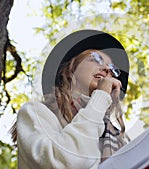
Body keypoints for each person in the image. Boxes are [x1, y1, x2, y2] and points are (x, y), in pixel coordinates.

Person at [11, 29, 130, 169]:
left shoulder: (119, 139)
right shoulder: (36, 113)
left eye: (113, 69)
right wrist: (101, 97)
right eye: (97, 59)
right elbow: (66, 162)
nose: (106, 69)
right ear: (70, 69)